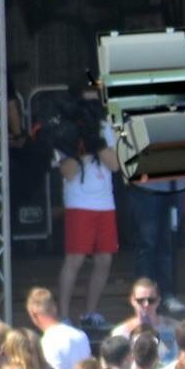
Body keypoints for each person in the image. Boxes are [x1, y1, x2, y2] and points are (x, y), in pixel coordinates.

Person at [50, 93, 119, 328]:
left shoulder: (104, 127)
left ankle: (91, 312)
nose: (91, 108)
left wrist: (95, 142)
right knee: (75, 260)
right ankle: (64, 316)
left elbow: (115, 164)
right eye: (86, 102)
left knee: (104, 259)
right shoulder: (65, 129)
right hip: (79, 203)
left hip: (105, 203)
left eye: (94, 103)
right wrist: (81, 147)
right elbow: (67, 172)